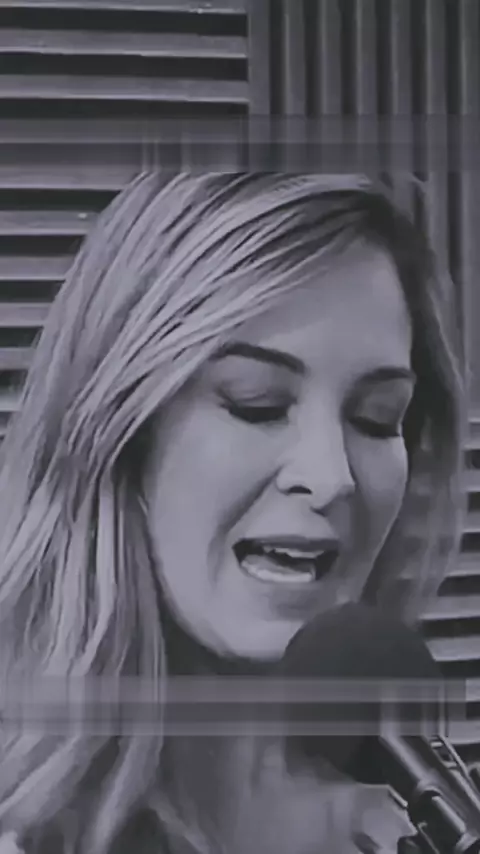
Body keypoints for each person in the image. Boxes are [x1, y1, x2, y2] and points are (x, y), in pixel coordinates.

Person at [0, 172, 465, 853]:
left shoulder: (417, 816)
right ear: (120, 437)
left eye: (377, 418)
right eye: (257, 404)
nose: (331, 477)